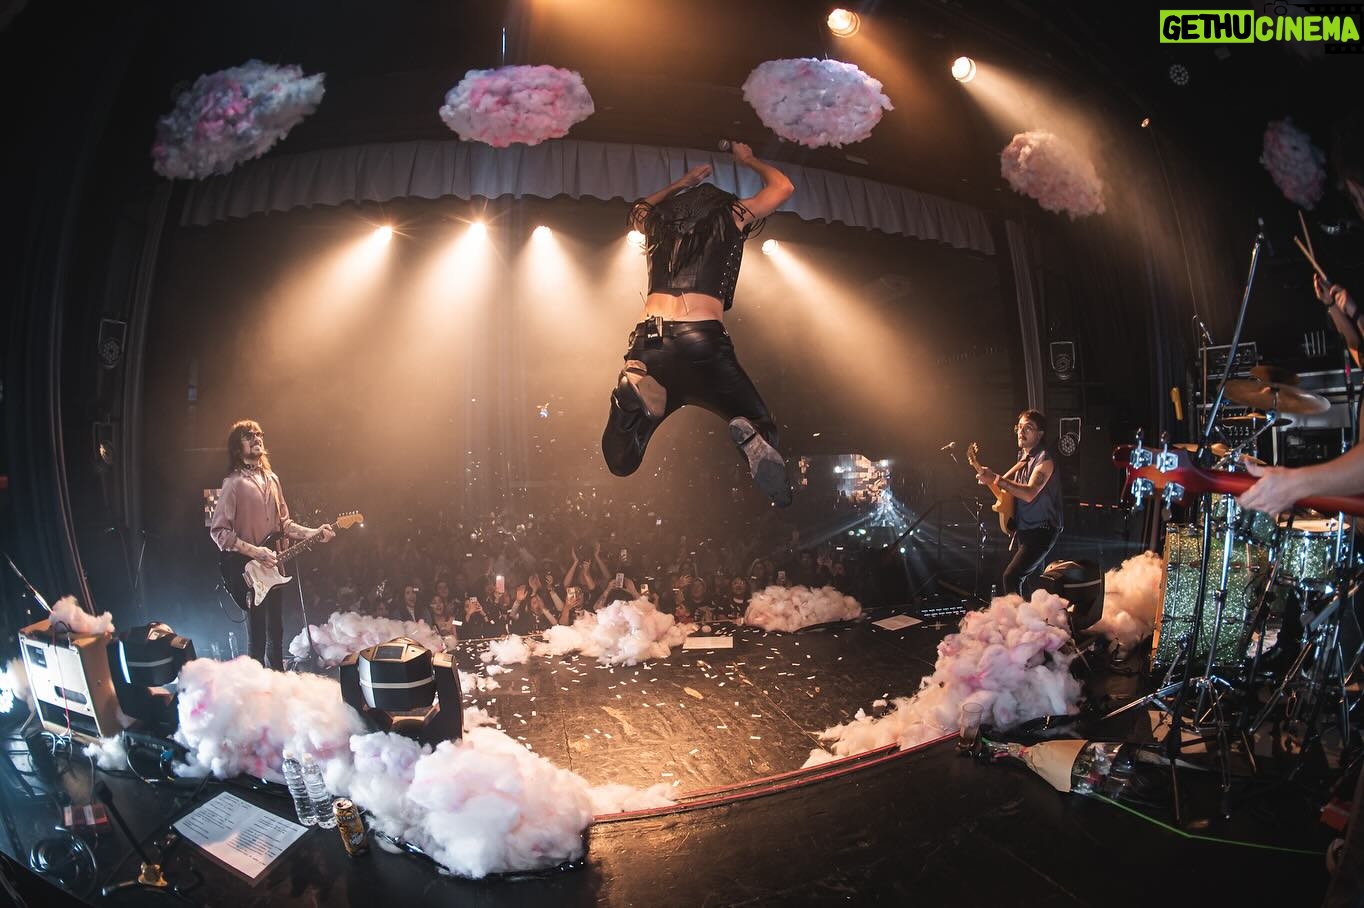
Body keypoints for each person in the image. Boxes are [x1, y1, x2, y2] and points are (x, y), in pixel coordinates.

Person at [601, 142, 796, 507]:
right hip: (701, 341)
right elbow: (783, 187)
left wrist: (681, 183)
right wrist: (748, 159)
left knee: (621, 462)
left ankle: (628, 402)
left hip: (650, 345)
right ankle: (749, 433)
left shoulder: (657, 224)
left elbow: (639, 208)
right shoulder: (731, 215)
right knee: (762, 427)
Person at [209, 419, 334, 669]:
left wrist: (314, 532)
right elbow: (219, 532)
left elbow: (285, 524)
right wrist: (257, 552)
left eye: (259, 434)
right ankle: (256, 685)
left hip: (273, 569)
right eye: (249, 435)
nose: (256, 438)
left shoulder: (273, 479)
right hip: (247, 570)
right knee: (257, 637)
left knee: (276, 633)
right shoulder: (232, 483)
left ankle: (277, 681)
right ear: (237, 447)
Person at [974, 410, 1063, 596]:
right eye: (1019, 427)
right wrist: (990, 479)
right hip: (1025, 529)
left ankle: (1016, 615)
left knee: (1011, 577)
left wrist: (996, 478)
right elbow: (1009, 492)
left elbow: (1029, 493)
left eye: (1028, 428)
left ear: (1040, 434)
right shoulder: (1022, 458)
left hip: (1042, 530)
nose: (1021, 432)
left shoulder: (1045, 459)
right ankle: (1036, 614)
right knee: (1032, 586)